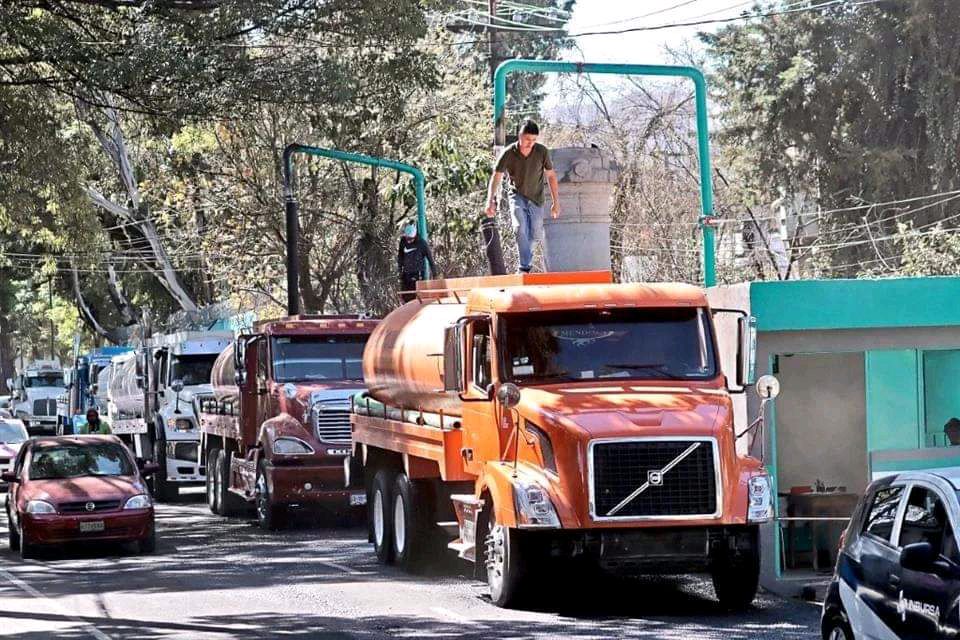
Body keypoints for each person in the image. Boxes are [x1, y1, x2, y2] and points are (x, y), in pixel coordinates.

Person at [485, 119, 561, 273]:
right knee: (519, 227)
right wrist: (490, 200)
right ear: (520, 136)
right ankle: (524, 267)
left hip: (536, 198)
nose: (530, 143)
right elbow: (497, 176)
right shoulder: (508, 153)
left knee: (536, 234)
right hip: (517, 195)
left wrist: (555, 202)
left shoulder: (541, 151)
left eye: (534, 140)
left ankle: (526, 261)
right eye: (527, 139)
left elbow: (551, 176)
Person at [397, 222, 437, 302]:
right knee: (405, 296)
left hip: (417, 273)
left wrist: (435, 274)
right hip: (406, 273)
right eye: (407, 238)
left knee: (414, 296)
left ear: (415, 236)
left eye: (411, 239)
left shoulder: (422, 243)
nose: (409, 241)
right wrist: (399, 269)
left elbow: (430, 259)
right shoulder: (403, 241)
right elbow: (400, 256)